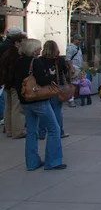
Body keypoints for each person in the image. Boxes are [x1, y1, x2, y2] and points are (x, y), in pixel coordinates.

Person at [14, 39, 67, 170]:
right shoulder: (35, 62)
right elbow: (42, 81)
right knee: (54, 128)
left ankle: (32, 162)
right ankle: (53, 161)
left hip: (25, 100)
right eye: (38, 48)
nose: (40, 50)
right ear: (33, 49)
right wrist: (52, 77)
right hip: (39, 100)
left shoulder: (18, 62)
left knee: (32, 131)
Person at [38, 40, 70, 139]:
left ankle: (42, 132)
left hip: (44, 87)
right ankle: (59, 131)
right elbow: (65, 72)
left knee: (43, 111)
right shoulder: (59, 60)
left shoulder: (39, 60)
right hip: (57, 86)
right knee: (57, 110)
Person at [0, 27, 27, 138]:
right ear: (17, 42)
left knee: (9, 106)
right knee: (17, 107)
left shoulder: (5, 49)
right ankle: (17, 131)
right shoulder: (15, 53)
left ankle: (10, 129)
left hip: (7, 82)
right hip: (14, 82)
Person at [65, 34, 84, 108]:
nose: (80, 41)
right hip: (74, 67)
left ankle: (70, 98)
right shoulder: (70, 48)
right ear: (74, 39)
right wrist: (72, 68)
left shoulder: (78, 48)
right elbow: (68, 59)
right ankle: (70, 99)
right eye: (79, 40)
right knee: (74, 84)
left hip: (78, 67)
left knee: (75, 84)